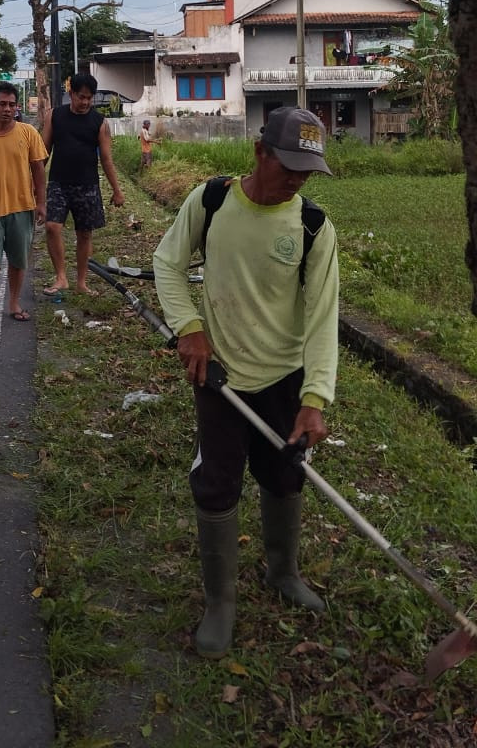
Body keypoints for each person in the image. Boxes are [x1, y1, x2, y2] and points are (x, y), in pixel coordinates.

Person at [153, 106, 339, 660]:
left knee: (285, 476)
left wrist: (314, 400)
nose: (298, 179)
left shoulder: (312, 227)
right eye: (289, 166)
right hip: (221, 377)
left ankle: (283, 571)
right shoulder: (210, 202)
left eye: (308, 171)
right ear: (259, 152)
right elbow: (167, 263)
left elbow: (323, 318)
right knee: (217, 482)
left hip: (284, 378)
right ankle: (221, 603)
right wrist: (189, 330)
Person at [0, 82, 47, 327]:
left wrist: (41, 203)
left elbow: (38, 170)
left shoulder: (28, 133)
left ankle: (13, 302)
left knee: (18, 260)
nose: (7, 109)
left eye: (12, 105)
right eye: (2, 104)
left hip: (22, 207)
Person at [42, 72, 125, 294]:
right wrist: (33, 183)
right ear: (71, 94)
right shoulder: (55, 116)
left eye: (89, 98)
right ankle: (61, 277)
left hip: (87, 185)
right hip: (58, 183)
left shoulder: (99, 122)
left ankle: (81, 282)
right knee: (52, 226)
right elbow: (43, 152)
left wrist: (117, 190)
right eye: (81, 97)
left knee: (85, 234)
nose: (85, 102)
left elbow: (106, 159)